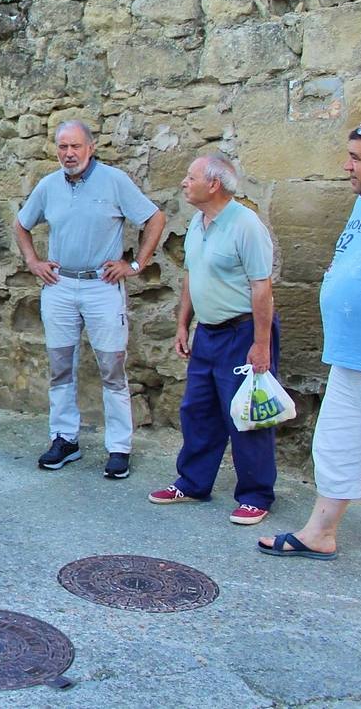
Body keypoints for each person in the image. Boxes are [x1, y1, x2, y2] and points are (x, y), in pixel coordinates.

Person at [259, 120, 361, 609]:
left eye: (355, 158)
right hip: (352, 357)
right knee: (337, 449)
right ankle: (320, 533)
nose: (346, 166)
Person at [13, 120, 166, 478]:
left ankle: (119, 447)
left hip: (101, 285)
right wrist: (33, 262)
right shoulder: (48, 185)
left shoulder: (114, 181)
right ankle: (64, 439)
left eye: (75, 146)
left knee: (112, 368)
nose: (69, 154)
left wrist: (135, 264)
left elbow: (155, 218)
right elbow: (22, 224)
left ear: (91, 147)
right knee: (60, 366)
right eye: (63, 147)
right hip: (60, 285)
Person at [150, 154, 279, 525]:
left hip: (242, 332)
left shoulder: (246, 225)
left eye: (190, 177)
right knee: (198, 410)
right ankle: (193, 482)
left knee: (246, 414)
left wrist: (261, 344)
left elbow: (261, 287)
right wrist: (183, 324)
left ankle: (256, 495)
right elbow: (192, 274)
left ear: (214, 184)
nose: (184, 183)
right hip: (208, 332)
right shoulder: (197, 221)